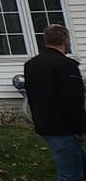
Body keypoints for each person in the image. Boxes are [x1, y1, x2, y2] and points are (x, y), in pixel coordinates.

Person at [25, 24, 86, 181]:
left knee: (80, 161)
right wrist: (79, 129)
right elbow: (73, 101)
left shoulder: (31, 65)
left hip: (44, 124)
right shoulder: (67, 66)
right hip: (65, 128)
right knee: (70, 175)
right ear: (65, 40)